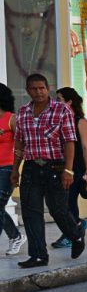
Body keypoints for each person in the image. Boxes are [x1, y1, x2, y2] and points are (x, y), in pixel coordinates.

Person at [11, 73, 85, 268]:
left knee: (58, 210)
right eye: (34, 89)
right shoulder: (23, 112)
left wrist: (68, 171)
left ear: (48, 88)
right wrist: (15, 169)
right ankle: (38, 255)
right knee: (31, 212)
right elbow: (19, 142)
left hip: (56, 166)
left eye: (42, 88)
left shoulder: (62, 110)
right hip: (31, 167)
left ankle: (75, 234)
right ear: (28, 91)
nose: (39, 92)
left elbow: (70, 141)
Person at [51, 87, 87, 249]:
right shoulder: (59, 120)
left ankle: (71, 234)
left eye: (59, 99)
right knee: (60, 203)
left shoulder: (80, 122)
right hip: (60, 166)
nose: (55, 102)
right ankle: (77, 225)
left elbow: (85, 147)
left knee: (68, 202)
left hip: (76, 168)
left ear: (69, 101)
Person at [0, 84, 26, 255]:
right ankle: (16, 236)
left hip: (8, 167)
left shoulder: (11, 118)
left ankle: (15, 236)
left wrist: (16, 168)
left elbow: (22, 143)